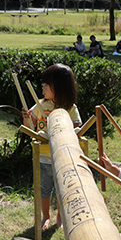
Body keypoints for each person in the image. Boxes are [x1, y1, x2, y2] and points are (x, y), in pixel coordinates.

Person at [22, 64, 82, 230]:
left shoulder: (70, 109)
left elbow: (77, 130)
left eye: (47, 84)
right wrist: (27, 119)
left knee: (62, 191)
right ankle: (46, 215)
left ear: (60, 88)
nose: (43, 87)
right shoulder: (40, 106)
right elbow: (29, 130)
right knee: (44, 190)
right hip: (44, 157)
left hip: (63, 159)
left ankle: (60, 217)